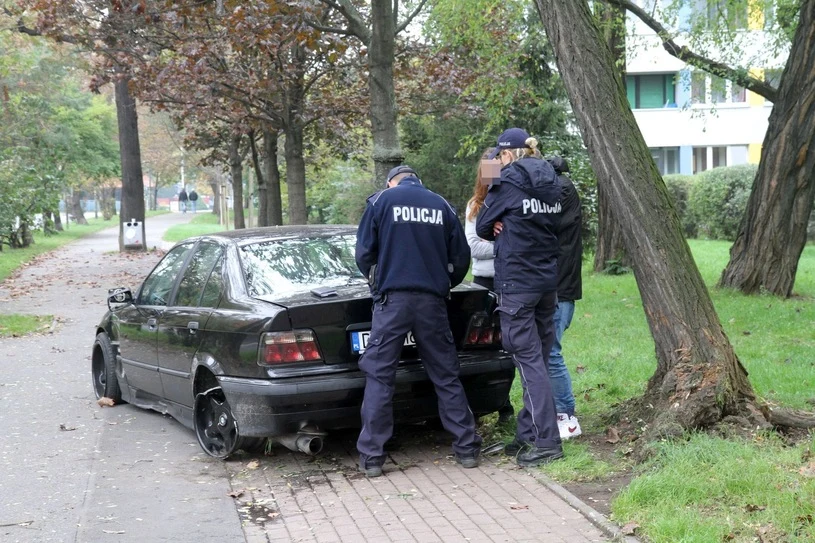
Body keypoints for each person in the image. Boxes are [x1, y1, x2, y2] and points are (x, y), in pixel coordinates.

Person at [355, 165, 482, 477]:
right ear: (418, 181)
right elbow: (462, 256)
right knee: (445, 374)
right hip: (432, 302)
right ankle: (467, 448)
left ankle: (372, 458)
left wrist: (378, 280)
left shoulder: (380, 202)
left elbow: (363, 254)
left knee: (380, 376)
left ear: (391, 182)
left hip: (392, 302)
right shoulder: (440, 205)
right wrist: (443, 282)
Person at [475, 128, 564, 467]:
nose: (495, 161)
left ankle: (547, 442)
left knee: (528, 363)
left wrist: (501, 220)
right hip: (546, 282)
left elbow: (483, 223)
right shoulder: (552, 179)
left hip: (518, 283)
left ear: (508, 154)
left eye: (498, 155)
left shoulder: (508, 179)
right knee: (537, 360)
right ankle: (527, 435)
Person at [464, 149, 514, 424]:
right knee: (488, 345)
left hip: (511, 279)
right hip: (484, 281)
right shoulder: (475, 205)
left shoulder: (510, 199)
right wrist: (501, 243)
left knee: (511, 342)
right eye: (489, 168)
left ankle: (508, 403)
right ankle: (499, 403)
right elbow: (474, 246)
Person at [546, 156, 583, 440]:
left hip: (559, 289)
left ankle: (566, 417)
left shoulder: (562, 190)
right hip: (560, 287)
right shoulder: (565, 190)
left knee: (551, 352)